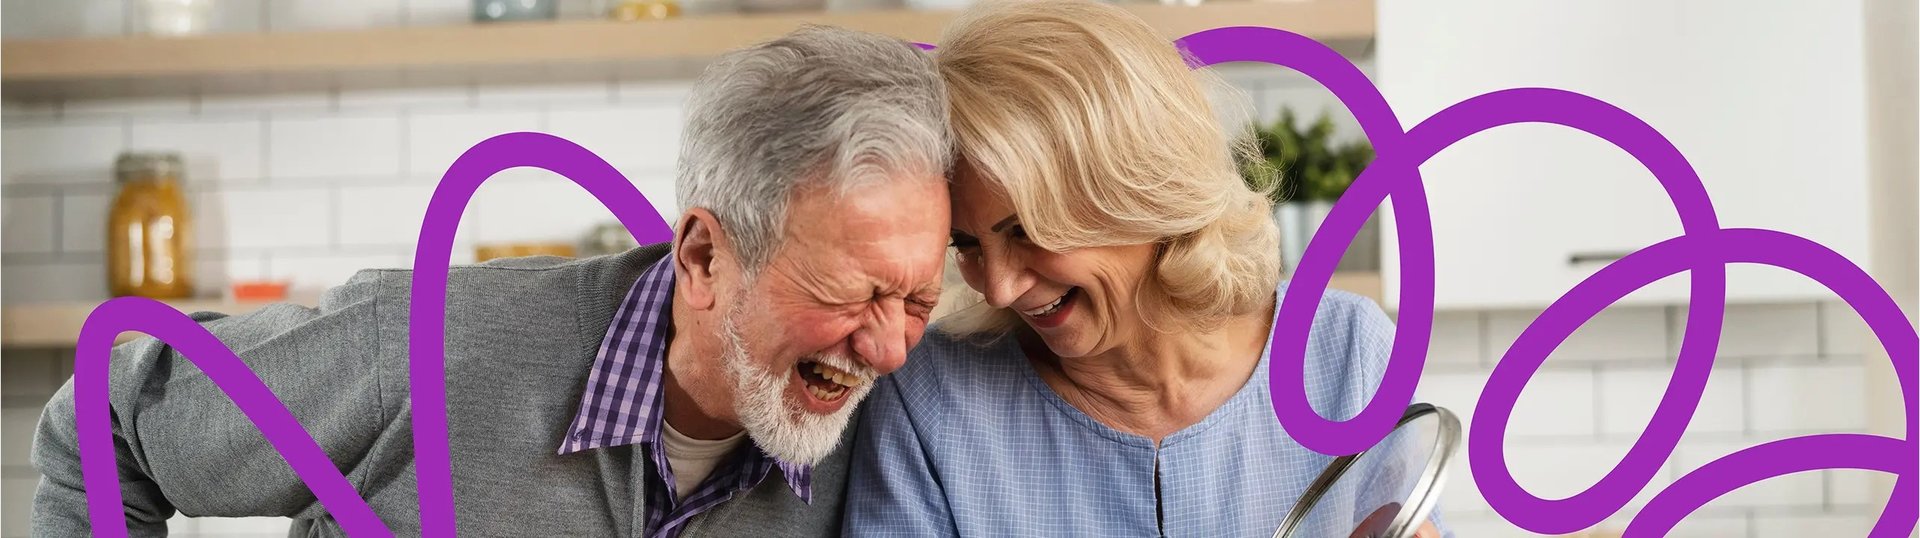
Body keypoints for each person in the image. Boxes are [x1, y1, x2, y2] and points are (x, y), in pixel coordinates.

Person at [31, 25, 952, 537]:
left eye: (915, 301)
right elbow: (110, 418)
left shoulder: (884, 448)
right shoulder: (432, 350)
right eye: (851, 293)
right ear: (706, 257)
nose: (889, 347)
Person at [844, 1, 1447, 536]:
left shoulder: (1346, 355)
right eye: (967, 243)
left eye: (1027, 230)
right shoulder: (930, 398)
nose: (998, 286)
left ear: (1140, 195)